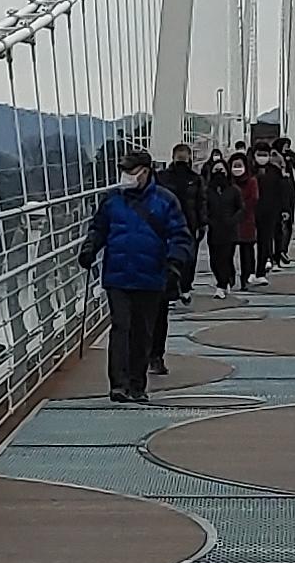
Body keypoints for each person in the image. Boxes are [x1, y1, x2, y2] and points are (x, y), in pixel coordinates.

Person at [78, 151, 192, 404]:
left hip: (151, 276)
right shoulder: (112, 200)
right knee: (121, 327)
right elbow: (99, 228)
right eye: (124, 171)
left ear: (145, 171)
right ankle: (119, 385)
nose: (126, 176)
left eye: (131, 171)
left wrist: (174, 264)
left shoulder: (165, 201)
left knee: (142, 332)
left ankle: (137, 385)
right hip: (118, 276)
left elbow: (180, 235)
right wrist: (89, 249)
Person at [151, 143, 203, 372]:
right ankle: (150, 357)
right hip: (163, 240)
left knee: (185, 261)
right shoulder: (161, 181)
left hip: (184, 229)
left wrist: (202, 222)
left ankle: (155, 356)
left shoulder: (194, 179)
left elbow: (201, 201)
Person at [203, 150, 242, 291]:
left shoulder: (234, 190)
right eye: (216, 170)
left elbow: (241, 208)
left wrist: (233, 220)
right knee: (214, 260)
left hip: (229, 231)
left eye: (221, 170)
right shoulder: (207, 191)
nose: (219, 173)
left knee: (226, 258)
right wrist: (207, 220)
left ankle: (223, 284)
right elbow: (203, 207)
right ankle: (223, 279)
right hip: (214, 230)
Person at [230, 147, 261, 288]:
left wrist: (239, 211)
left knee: (247, 252)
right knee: (226, 253)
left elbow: (253, 199)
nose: (237, 169)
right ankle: (229, 278)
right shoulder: (228, 182)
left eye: (239, 165)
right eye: (234, 166)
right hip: (230, 222)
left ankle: (245, 278)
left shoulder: (252, 181)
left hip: (246, 220)